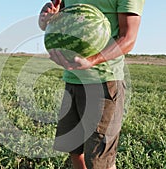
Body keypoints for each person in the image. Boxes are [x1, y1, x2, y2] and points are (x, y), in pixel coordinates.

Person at [39, 0, 145, 168]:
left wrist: (92, 60)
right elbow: (55, 24)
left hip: (104, 83)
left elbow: (128, 38)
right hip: (72, 80)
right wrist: (45, 20)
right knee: (74, 150)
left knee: (99, 160)